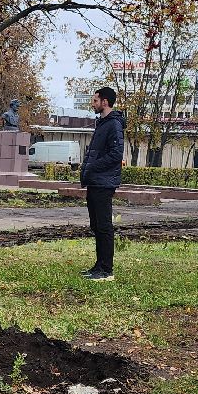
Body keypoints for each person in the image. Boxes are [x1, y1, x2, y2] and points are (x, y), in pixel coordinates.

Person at [79, 86, 124, 281]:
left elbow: (116, 154)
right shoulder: (102, 123)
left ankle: (106, 270)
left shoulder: (113, 124)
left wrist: (94, 167)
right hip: (95, 181)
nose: (93, 104)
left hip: (104, 182)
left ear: (105, 102)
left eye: (95, 100)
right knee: (96, 225)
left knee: (104, 226)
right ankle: (99, 266)